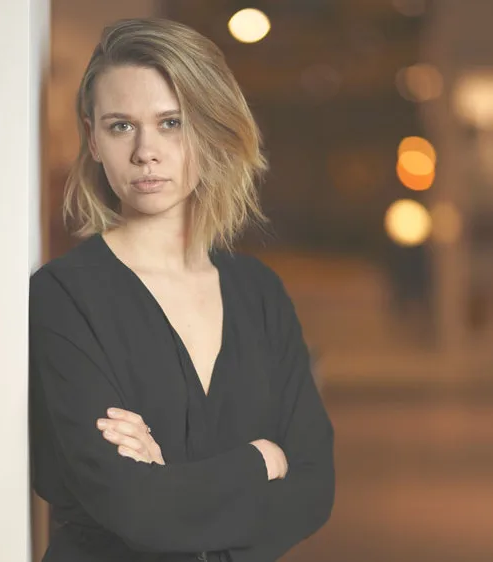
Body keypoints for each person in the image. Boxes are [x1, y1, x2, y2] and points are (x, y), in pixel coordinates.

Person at [29, 18, 334, 562]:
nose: (146, 151)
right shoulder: (62, 297)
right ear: (93, 139)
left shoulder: (260, 293)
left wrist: (170, 486)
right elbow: (132, 506)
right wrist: (259, 460)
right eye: (121, 126)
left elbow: (313, 490)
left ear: (209, 129)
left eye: (171, 122)